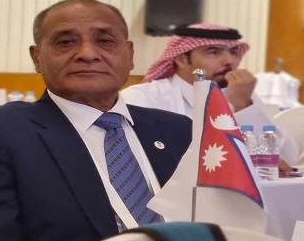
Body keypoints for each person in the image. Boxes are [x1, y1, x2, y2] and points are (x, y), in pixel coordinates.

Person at [0, 0, 192, 241]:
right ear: (37, 58)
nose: (87, 53)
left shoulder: (178, 130)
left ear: (129, 55)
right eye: (66, 42)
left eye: (105, 41)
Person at [122, 23, 298, 163]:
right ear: (181, 59)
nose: (229, 61)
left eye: (233, 52)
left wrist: (244, 107)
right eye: (213, 52)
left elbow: (288, 157)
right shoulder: (143, 97)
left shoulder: (242, 96)